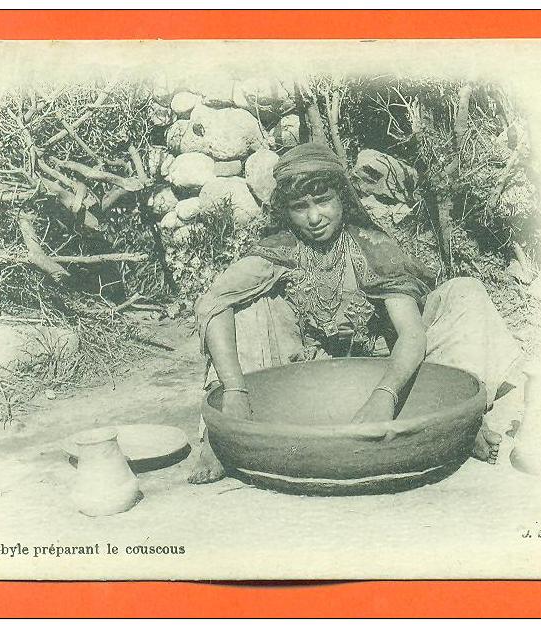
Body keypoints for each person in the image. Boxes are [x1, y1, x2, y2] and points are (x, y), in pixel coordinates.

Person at [188, 142, 523, 484]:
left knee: (464, 292)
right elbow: (213, 301)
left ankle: (463, 420)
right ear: (286, 212)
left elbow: (411, 333)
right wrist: (234, 390)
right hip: (299, 376)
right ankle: (220, 434)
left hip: (380, 367)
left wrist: (385, 395)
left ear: (343, 198)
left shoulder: (372, 248)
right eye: (300, 207)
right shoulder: (278, 252)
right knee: (247, 306)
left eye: (323, 200)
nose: (314, 217)